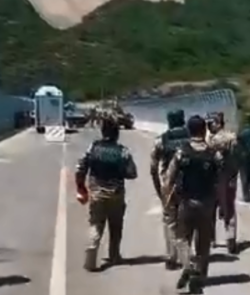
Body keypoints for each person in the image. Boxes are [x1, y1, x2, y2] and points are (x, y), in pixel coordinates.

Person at [162, 115, 222, 293]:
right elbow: (220, 180)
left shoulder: (182, 152)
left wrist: (168, 198)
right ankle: (199, 276)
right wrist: (220, 203)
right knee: (204, 242)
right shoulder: (214, 154)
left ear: (189, 131)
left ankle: (187, 264)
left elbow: (169, 179)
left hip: (186, 202)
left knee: (182, 238)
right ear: (204, 130)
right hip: (207, 203)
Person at [74, 118, 138, 271]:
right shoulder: (123, 151)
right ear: (117, 134)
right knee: (116, 227)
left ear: (103, 132)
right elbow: (132, 173)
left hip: (97, 194)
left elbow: (80, 168)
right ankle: (114, 256)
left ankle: (91, 258)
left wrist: (81, 187)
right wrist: (120, 172)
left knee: (96, 225)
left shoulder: (93, 148)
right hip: (116, 194)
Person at [149, 109, 190, 270]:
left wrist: (159, 189)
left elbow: (153, 168)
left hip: (170, 185)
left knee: (170, 221)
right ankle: (187, 255)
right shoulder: (192, 137)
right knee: (187, 221)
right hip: (190, 184)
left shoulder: (161, 140)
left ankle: (172, 256)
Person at [206, 111, 241, 254]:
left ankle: (211, 239)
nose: (209, 126)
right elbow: (237, 158)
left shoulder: (210, 140)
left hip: (213, 180)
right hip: (229, 178)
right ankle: (230, 238)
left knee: (210, 210)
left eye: (211, 123)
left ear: (218, 123)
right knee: (229, 209)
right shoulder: (233, 138)